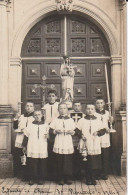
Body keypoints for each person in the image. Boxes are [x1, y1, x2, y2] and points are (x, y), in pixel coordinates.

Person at [77, 104, 106, 185]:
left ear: (94, 110)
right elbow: (77, 130)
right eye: (88, 108)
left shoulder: (98, 120)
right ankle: (87, 178)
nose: (90, 110)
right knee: (86, 161)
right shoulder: (82, 120)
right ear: (85, 110)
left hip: (94, 142)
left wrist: (98, 132)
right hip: (85, 142)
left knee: (94, 161)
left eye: (92, 109)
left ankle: (93, 177)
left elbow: (103, 130)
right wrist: (81, 135)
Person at [49, 103, 76, 185]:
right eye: (61, 108)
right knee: (59, 160)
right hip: (59, 141)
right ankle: (59, 177)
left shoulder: (71, 120)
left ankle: (68, 177)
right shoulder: (55, 120)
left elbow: (74, 130)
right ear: (58, 110)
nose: (62, 110)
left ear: (67, 110)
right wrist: (55, 131)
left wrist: (72, 132)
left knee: (68, 160)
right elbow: (50, 130)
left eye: (64, 108)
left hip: (67, 141)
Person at [22, 110, 49, 185]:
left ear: (42, 115)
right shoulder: (30, 125)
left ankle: (41, 178)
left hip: (42, 145)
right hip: (32, 146)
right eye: (36, 115)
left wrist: (48, 136)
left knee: (42, 162)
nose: (37, 116)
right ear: (33, 116)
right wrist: (24, 145)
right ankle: (32, 178)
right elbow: (26, 136)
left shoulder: (46, 125)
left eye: (39, 114)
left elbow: (49, 135)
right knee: (32, 162)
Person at [13, 101, 35, 180]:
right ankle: (24, 175)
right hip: (20, 137)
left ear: (33, 108)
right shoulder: (21, 116)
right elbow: (15, 127)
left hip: (30, 138)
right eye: (27, 106)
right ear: (25, 107)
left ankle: (31, 174)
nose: (29, 107)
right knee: (22, 156)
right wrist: (16, 118)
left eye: (31, 106)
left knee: (30, 156)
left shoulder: (34, 117)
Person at [41, 89, 59, 180]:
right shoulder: (45, 107)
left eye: (53, 96)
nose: (51, 97)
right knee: (48, 151)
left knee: (56, 152)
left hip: (56, 130)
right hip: (47, 129)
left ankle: (56, 174)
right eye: (50, 96)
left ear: (56, 97)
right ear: (47, 97)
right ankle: (48, 174)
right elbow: (43, 119)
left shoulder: (59, 106)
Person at [95, 97, 114, 180]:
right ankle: (97, 172)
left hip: (105, 136)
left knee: (105, 155)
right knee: (97, 155)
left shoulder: (107, 113)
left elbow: (111, 125)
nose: (99, 105)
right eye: (98, 103)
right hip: (96, 136)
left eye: (101, 103)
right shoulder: (94, 113)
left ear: (104, 104)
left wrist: (112, 121)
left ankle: (105, 173)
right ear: (95, 104)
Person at [70, 100, 85, 180]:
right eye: (75, 105)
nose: (77, 107)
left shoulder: (84, 116)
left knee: (80, 156)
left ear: (81, 106)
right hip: (71, 139)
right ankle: (72, 173)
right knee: (72, 156)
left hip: (80, 139)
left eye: (78, 105)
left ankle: (80, 174)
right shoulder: (69, 116)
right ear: (72, 106)